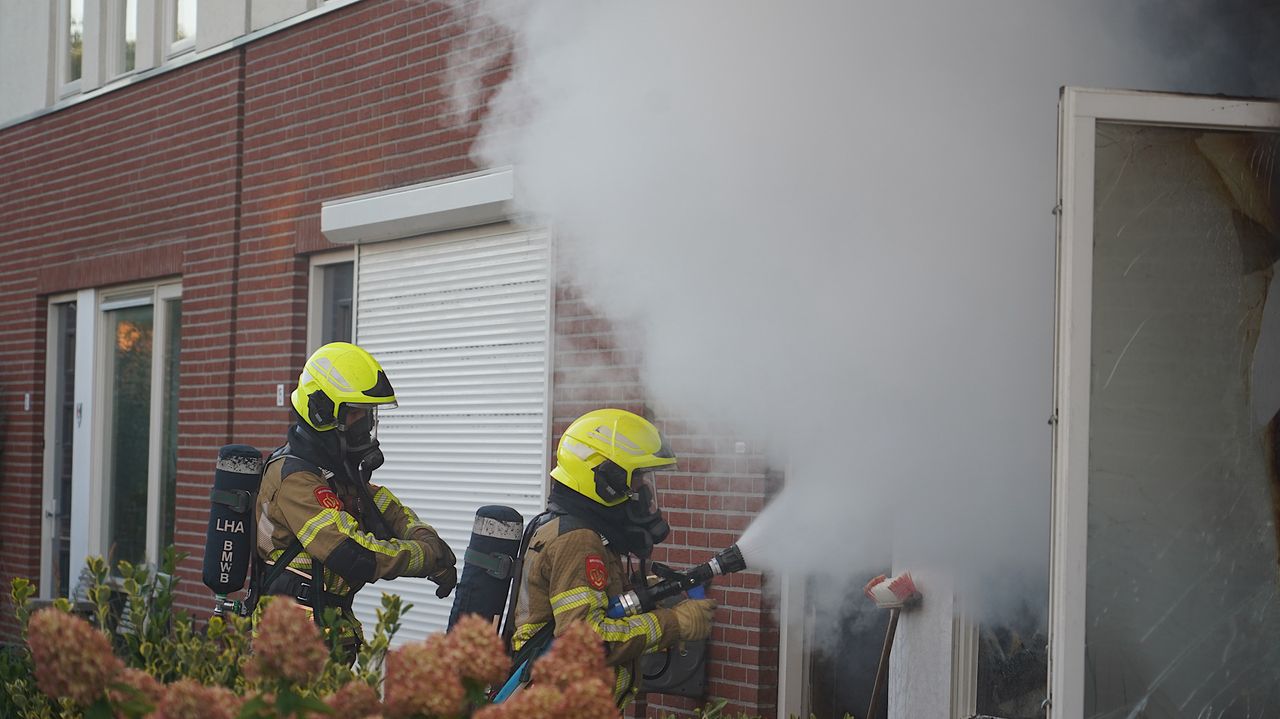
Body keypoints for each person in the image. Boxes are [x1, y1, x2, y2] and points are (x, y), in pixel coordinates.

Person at [254, 342, 457, 650]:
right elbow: (350, 553)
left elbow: (392, 513)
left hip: (327, 637)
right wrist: (426, 558)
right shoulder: (294, 479)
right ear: (321, 412)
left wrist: (429, 542)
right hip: (288, 648)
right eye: (355, 413)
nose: (365, 424)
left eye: (368, 413)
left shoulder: (335, 476)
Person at [508, 408, 717, 705]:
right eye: (636, 478)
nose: (643, 492)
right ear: (605, 479)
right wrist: (674, 623)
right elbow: (585, 644)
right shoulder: (579, 540)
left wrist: (647, 592)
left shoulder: (570, 528)